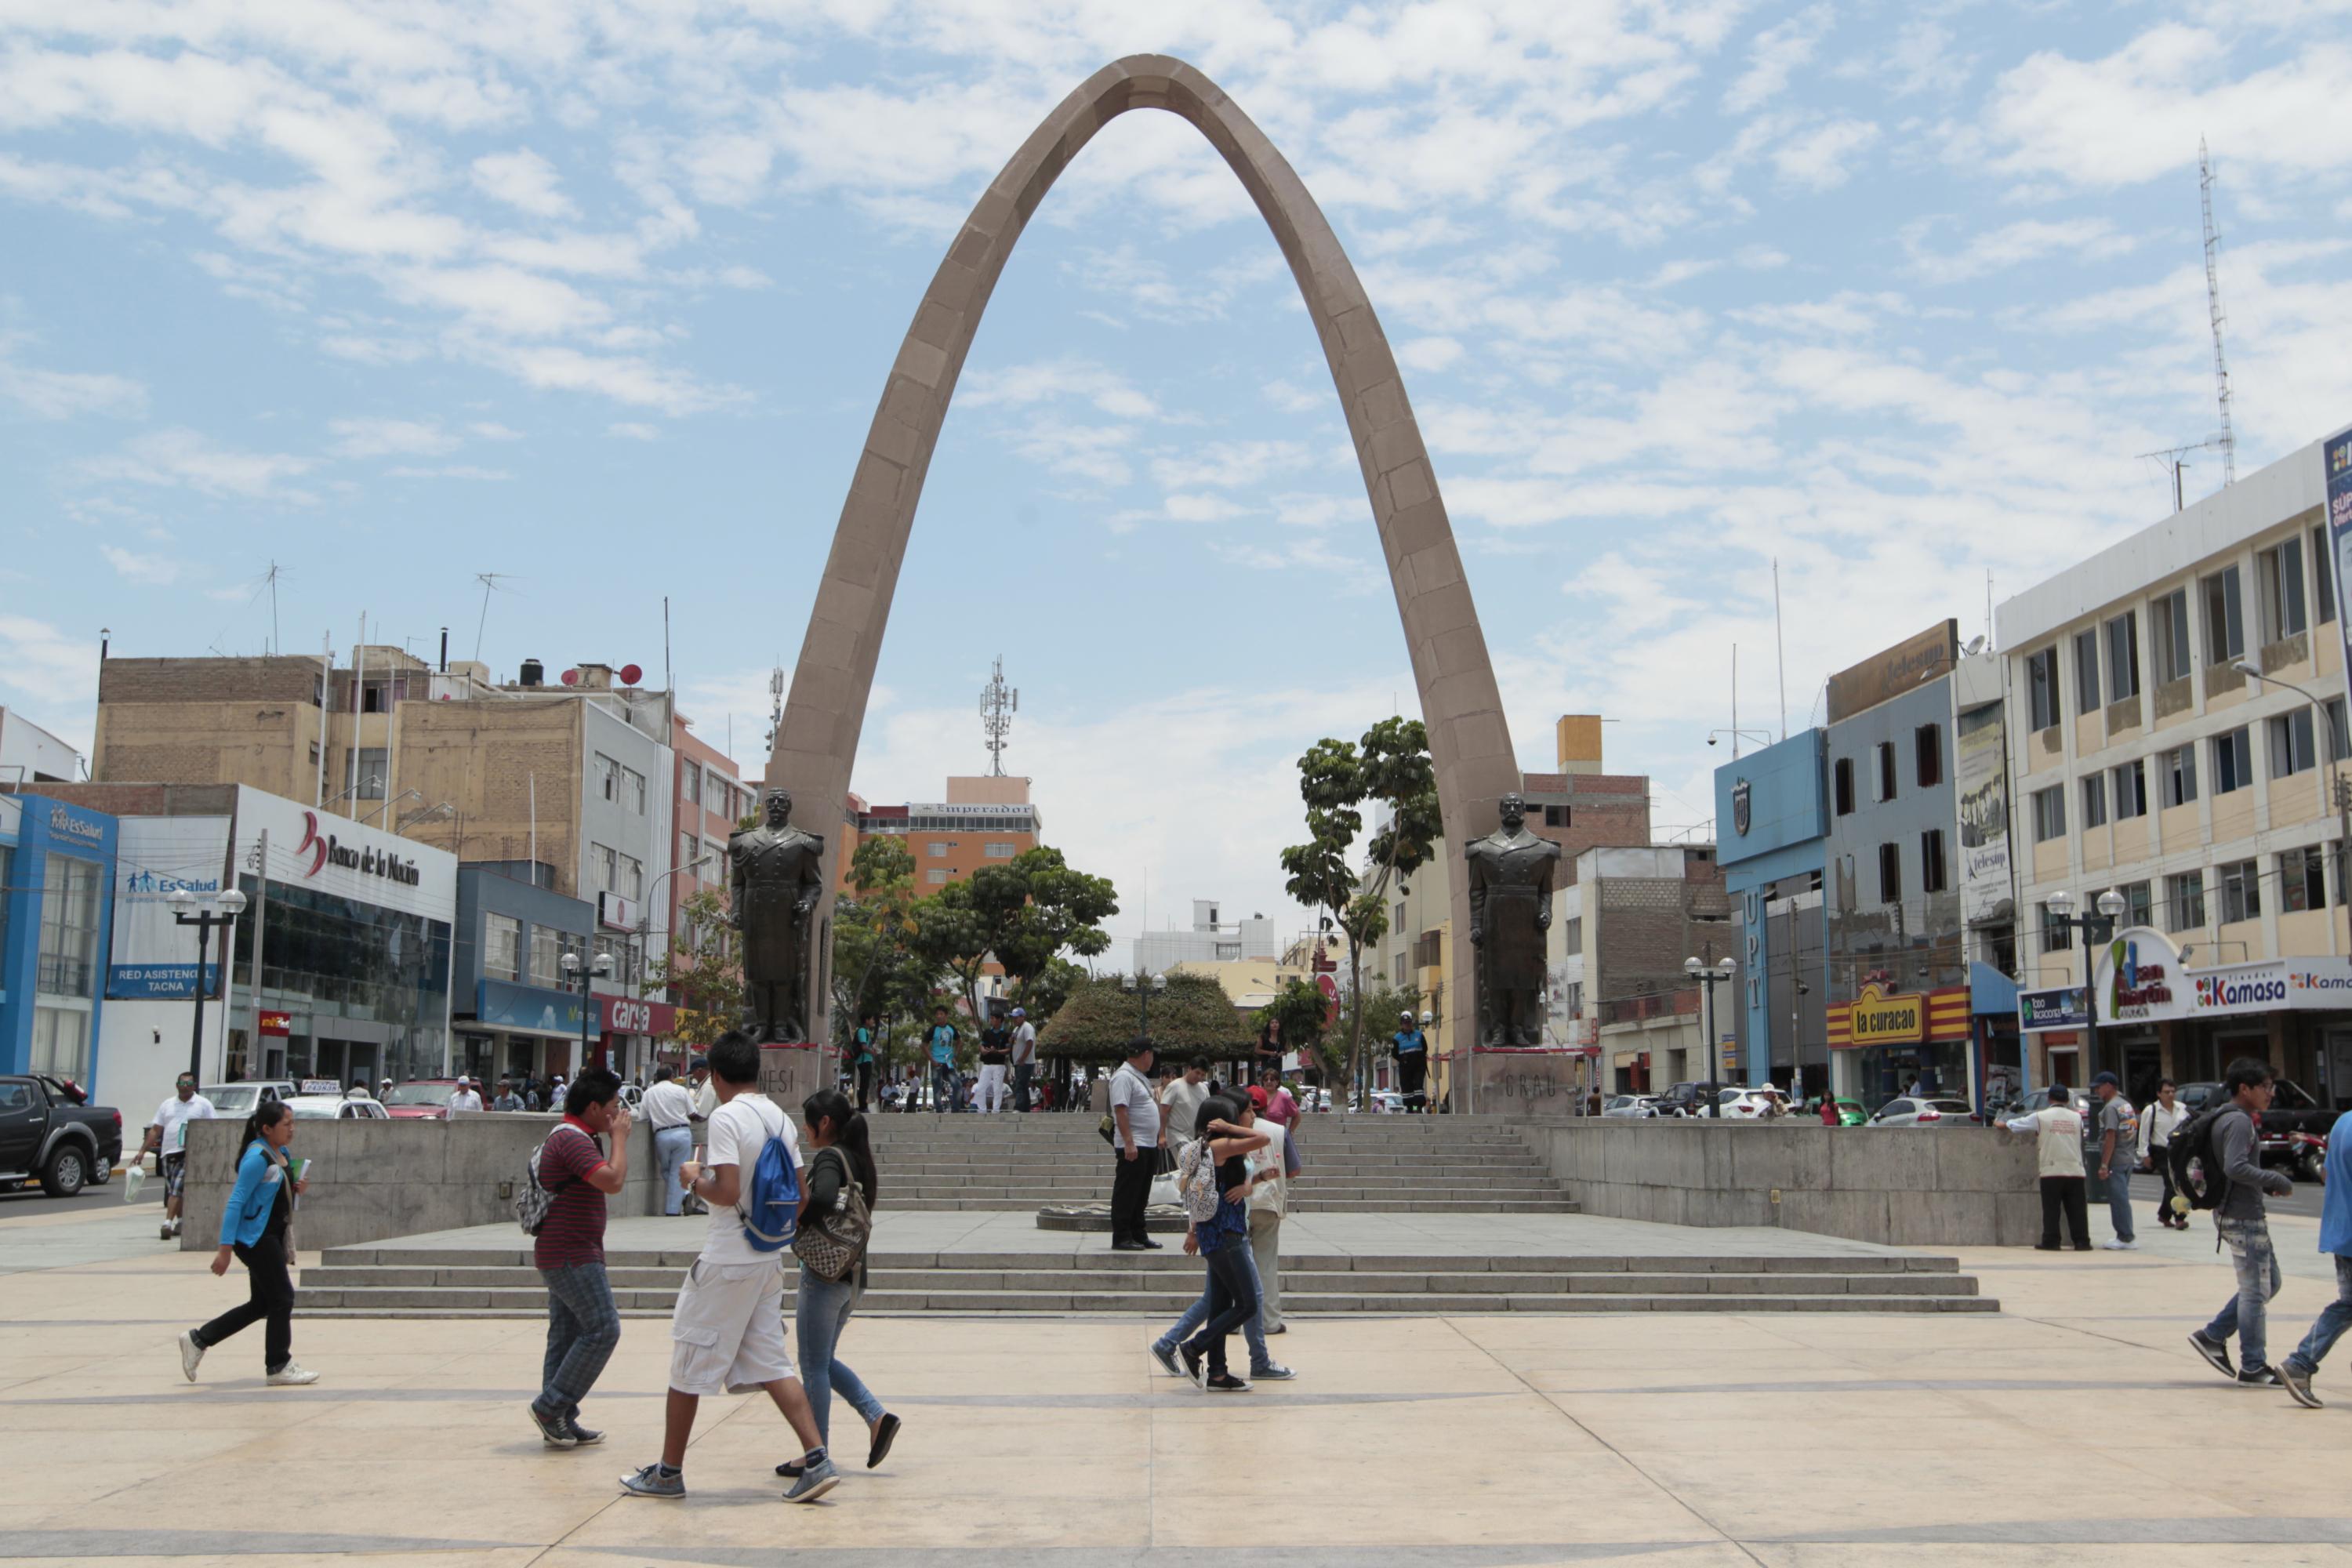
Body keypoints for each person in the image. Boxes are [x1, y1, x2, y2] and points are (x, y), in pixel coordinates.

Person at [621, 1031, 838, 1502]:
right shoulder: (779, 1117)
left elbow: (724, 1190)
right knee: (772, 1363)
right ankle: (817, 1458)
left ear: (716, 1075)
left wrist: (693, 1179)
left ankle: (668, 1472)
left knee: (687, 1363)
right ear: (755, 1070)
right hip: (767, 1261)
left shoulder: (726, 1118)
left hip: (726, 1258)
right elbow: (800, 1196)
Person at [783, 1087, 901, 1479]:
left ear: (825, 1123)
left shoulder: (832, 1157)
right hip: (853, 1277)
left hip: (824, 1275)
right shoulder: (859, 1159)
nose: (805, 1130)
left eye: (808, 1122)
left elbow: (823, 1198)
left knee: (813, 1365)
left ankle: (817, 1453)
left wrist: (798, 1218)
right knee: (824, 1361)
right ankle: (876, 1418)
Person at [177, 1099, 316, 1387]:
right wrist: (224, 1249)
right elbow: (236, 1202)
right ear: (266, 1129)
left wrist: (296, 1187)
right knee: (283, 1298)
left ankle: (198, 1340)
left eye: (293, 1123)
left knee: (262, 1304)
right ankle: (278, 1364)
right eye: (286, 1124)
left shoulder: (281, 1153)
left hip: (272, 1236)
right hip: (256, 1239)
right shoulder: (257, 1158)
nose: (292, 1129)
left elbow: (274, 1194)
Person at [528, 1067, 631, 1446]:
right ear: (592, 1107)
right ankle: (551, 1405)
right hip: (571, 1253)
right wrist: (619, 1138)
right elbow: (614, 1181)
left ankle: (559, 1416)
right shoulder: (572, 1140)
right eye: (614, 1107)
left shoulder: (578, 1135)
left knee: (567, 1335)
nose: (619, 1114)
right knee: (604, 1329)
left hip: (568, 1250)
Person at [2187, 1057, 2299, 1387]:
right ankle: (2252, 1365)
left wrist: (2262, 1182)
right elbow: (2235, 1167)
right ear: (2244, 1089)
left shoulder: (2228, 1117)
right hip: (2242, 1217)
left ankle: (2213, 1334)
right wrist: (2276, 1179)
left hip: (2237, 1212)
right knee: (2254, 1292)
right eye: (2265, 1086)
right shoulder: (2238, 1122)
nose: (2271, 1092)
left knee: (2270, 1283)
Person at [1176, 1094, 1272, 1392]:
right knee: (1247, 1304)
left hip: (1215, 1233)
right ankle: (1193, 1348)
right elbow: (1263, 1138)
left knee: (1220, 1305)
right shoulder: (1222, 1144)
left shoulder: (1207, 1148)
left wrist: (1250, 1183)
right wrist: (1231, 1129)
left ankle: (1217, 1372)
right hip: (1225, 1234)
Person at [2278, 1100, 2352, 1406]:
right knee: (2348, 1305)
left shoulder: (2344, 1122)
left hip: (2341, 1227)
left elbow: (2327, 1173)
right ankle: (2300, 1362)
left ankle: (2301, 1363)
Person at [2005, 1084, 2091, 1251]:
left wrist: (2002, 1122)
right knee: (2077, 1210)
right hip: (2075, 1168)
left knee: (2052, 1209)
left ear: (2050, 1099)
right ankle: (2082, 1242)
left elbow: (2015, 1125)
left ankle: (2051, 1241)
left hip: (2051, 1169)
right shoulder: (2077, 1117)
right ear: (2067, 1100)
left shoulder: (2041, 1116)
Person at [1244, 1084, 1297, 1345]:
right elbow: (1294, 1170)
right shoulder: (1279, 1131)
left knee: (1235, 1267)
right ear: (1267, 1106)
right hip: (1269, 1203)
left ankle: (1230, 1321)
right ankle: (1271, 1322)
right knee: (1266, 1264)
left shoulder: (1230, 1129)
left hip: (1238, 1205)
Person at [142, 1074, 215, 1242]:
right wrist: (142, 1151)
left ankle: (167, 1223)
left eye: (189, 1083)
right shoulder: (167, 1105)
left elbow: (213, 1127)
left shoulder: (203, 1105)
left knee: (175, 1189)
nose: (186, 1086)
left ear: (194, 1086)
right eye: (183, 1083)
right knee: (175, 1190)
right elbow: (156, 1130)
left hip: (191, 1153)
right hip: (169, 1152)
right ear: (177, 1085)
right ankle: (181, 1222)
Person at [1108, 1037, 1162, 1252]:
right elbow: (1121, 1110)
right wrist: (1129, 1142)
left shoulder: (1137, 1076)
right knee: (1128, 1192)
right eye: (1152, 1054)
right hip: (1134, 1144)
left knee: (1141, 1193)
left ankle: (1138, 1232)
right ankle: (1121, 1235)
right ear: (1145, 1054)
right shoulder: (1122, 1077)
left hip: (1148, 1143)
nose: (1153, 1059)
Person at [2090, 1072, 2139, 1250]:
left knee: (2118, 1199)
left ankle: (2125, 1236)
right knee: (2122, 1197)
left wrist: (2104, 1164)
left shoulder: (2110, 1108)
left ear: (2109, 1086)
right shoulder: (2125, 1105)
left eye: (2099, 1086)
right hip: (2127, 1158)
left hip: (2116, 1160)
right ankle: (2126, 1234)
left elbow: (2110, 1136)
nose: (2096, 1090)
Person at [641, 1066, 696, 1218]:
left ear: (656, 1077)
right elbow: (692, 1112)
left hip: (662, 1134)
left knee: (667, 1170)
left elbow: (643, 1117)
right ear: (672, 1076)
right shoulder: (681, 1091)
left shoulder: (649, 1093)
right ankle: (681, 1199)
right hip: (683, 1132)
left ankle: (677, 1204)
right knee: (677, 1172)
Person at [2141, 1078, 2188, 1231]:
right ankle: (2180, 1218)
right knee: (2172, 1185)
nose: (2171, 1094)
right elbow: (2144, 1133)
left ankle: (2164, 1214)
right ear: (2159, 1094)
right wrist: (2145, 1155)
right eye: (2167, 1092)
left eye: (2173, 1091)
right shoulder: (2151, 1110)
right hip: (2161, 1151)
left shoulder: (2182, 1109)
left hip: (2180, 1151)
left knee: (2180, 1184)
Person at [1162, 1057, 1210, 1144]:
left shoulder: (1204, 1089)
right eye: (1197, 1073)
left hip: (1197, 1138)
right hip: (1177, 1137)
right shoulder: (1175, 1086)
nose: (1199, 1077)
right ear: (1189, 1069)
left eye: (1203, 1075)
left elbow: (1207, 1111)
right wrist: (1162, 1136)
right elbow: (1163, 1112)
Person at [925, 1007, 960, 1113]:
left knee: (957, 1085)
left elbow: (959, 1041)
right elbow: (923, 1045)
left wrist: (955, 1056)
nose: (939, 1016)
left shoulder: (951, 1028)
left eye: (941, 1014)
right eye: (937, 1014)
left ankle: (955, 1110)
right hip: (937, 1062)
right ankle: (939, 1110)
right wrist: (932, 1059)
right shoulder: (933, 1029)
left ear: (946, 1015)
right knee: (937, 1087)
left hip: (949, 1063)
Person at [1393, 1011, 1428, 1112]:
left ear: (1411, 1023)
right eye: (1405, 1023)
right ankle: (1411, 1110)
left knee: (1418, 1089)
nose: (1407, 1025)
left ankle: (1417, 1109)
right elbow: (1395, 1053)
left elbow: (1425, 1048)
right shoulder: (1397, 1038)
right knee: (1408, 1092)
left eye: (1408, 1023)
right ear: (1401, 1024)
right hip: (1405, 1068)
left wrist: (1419, 1059)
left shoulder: (1419, 1035)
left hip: (1418, 1067)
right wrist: (1403, 1059)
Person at [976, 1014, 1011, 1114]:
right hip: (987, 1063)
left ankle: (996, 1110)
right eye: (990, 1018)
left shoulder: (1006, 1034)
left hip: (999, 1064)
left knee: (997, 1089)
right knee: (980, 1087)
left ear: (999, 1020)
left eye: (993, 1018)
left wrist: (998, 1051)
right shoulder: (987, 1032)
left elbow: (1008, 1049)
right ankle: (982, 1110)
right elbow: (982, 1045)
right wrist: (983, 1050)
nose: (991, 1020)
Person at [1009, 1007, 1037, 1112]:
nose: (1014, 1020)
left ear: (1022, 1017)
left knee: (1020, 1085)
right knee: (1024, 1086)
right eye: (1013, 1018)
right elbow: (1013, 1041)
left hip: (1025, 1062)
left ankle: (1019, 1107)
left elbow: (1030, 1042)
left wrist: (1022, 1058)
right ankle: (1026, 1108)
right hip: (1018, 1062)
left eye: (1016, 1018)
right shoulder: (1016, 1029)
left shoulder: (1027, 1027)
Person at [851, 1012, 880, 1113]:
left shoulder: (866, 1031)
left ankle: (863, 1106)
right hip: (864, 1060)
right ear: (866, 1020)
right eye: (871, 1019)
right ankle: (862, 1107)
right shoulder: (862, 1031)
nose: (873, 1021)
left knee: (865, 1083)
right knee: (864, 1084)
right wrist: (873, 1053)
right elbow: (863, 1047)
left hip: (866, 1060)